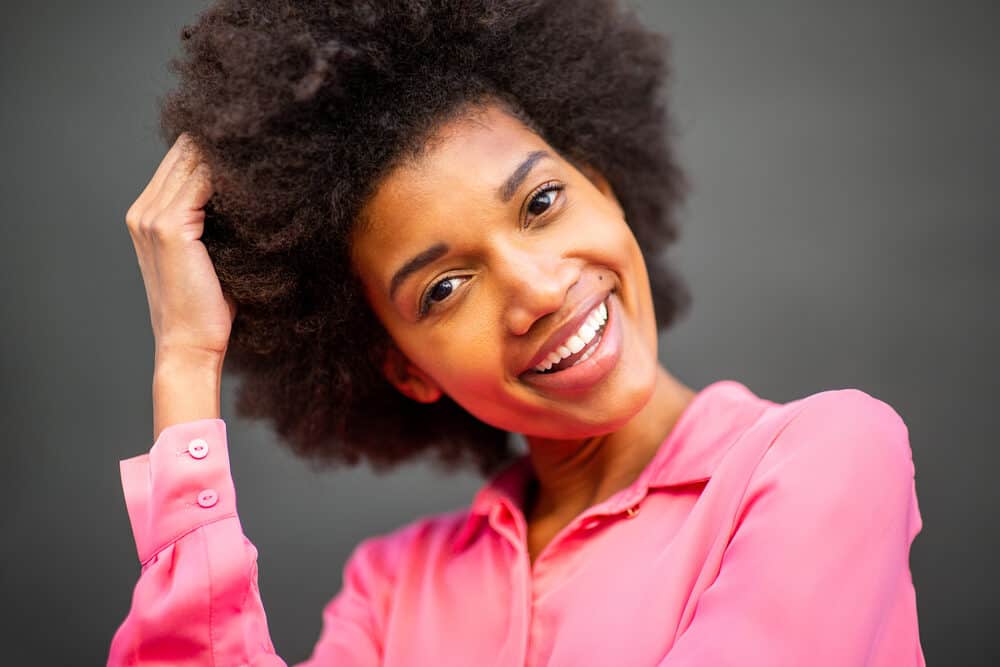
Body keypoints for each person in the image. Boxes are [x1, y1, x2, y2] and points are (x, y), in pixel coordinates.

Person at [109, 1, 926, 665]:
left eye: (541, 203)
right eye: (446, 287)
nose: (538, 289)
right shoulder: (392, 592)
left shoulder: (827, 455)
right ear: (404, 367)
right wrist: (186, 363)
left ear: (601, 184)